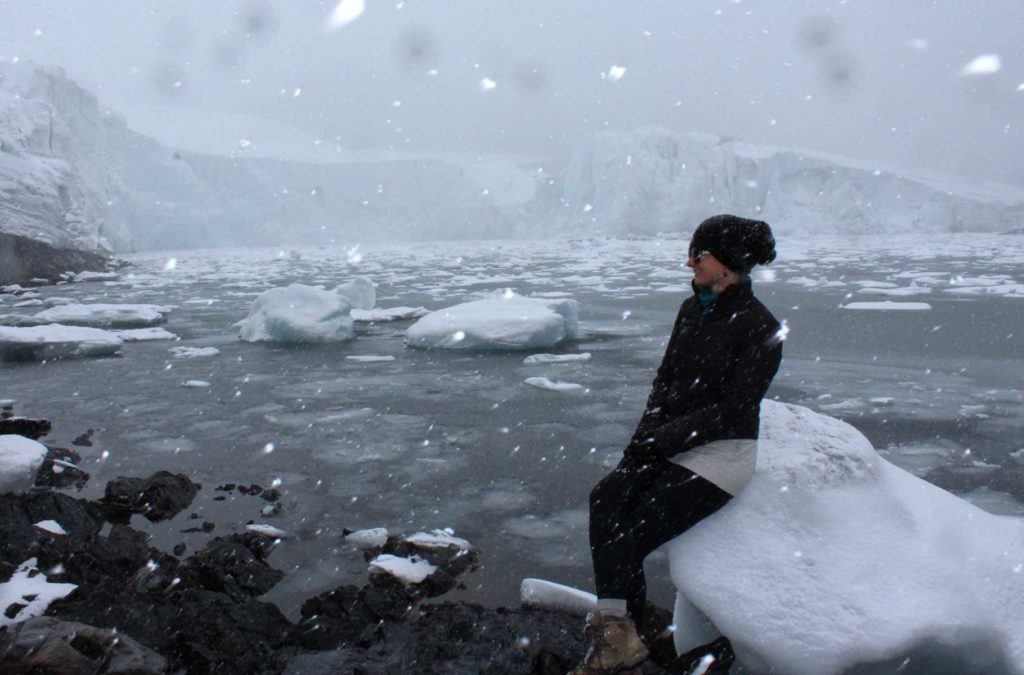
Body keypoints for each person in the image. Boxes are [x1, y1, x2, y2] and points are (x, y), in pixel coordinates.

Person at [571, 215, 783, 675]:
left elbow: (733, 410)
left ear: (727, 265)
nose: (689, 262)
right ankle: (626, 627)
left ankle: (623, 632)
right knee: (606, 498)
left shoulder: (760, 327)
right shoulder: (691, 310)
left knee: (635, 528)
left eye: (699, 255)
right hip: (669, 443)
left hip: (722, 454)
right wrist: (640, 444)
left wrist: (661, 439)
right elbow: (665, 383)